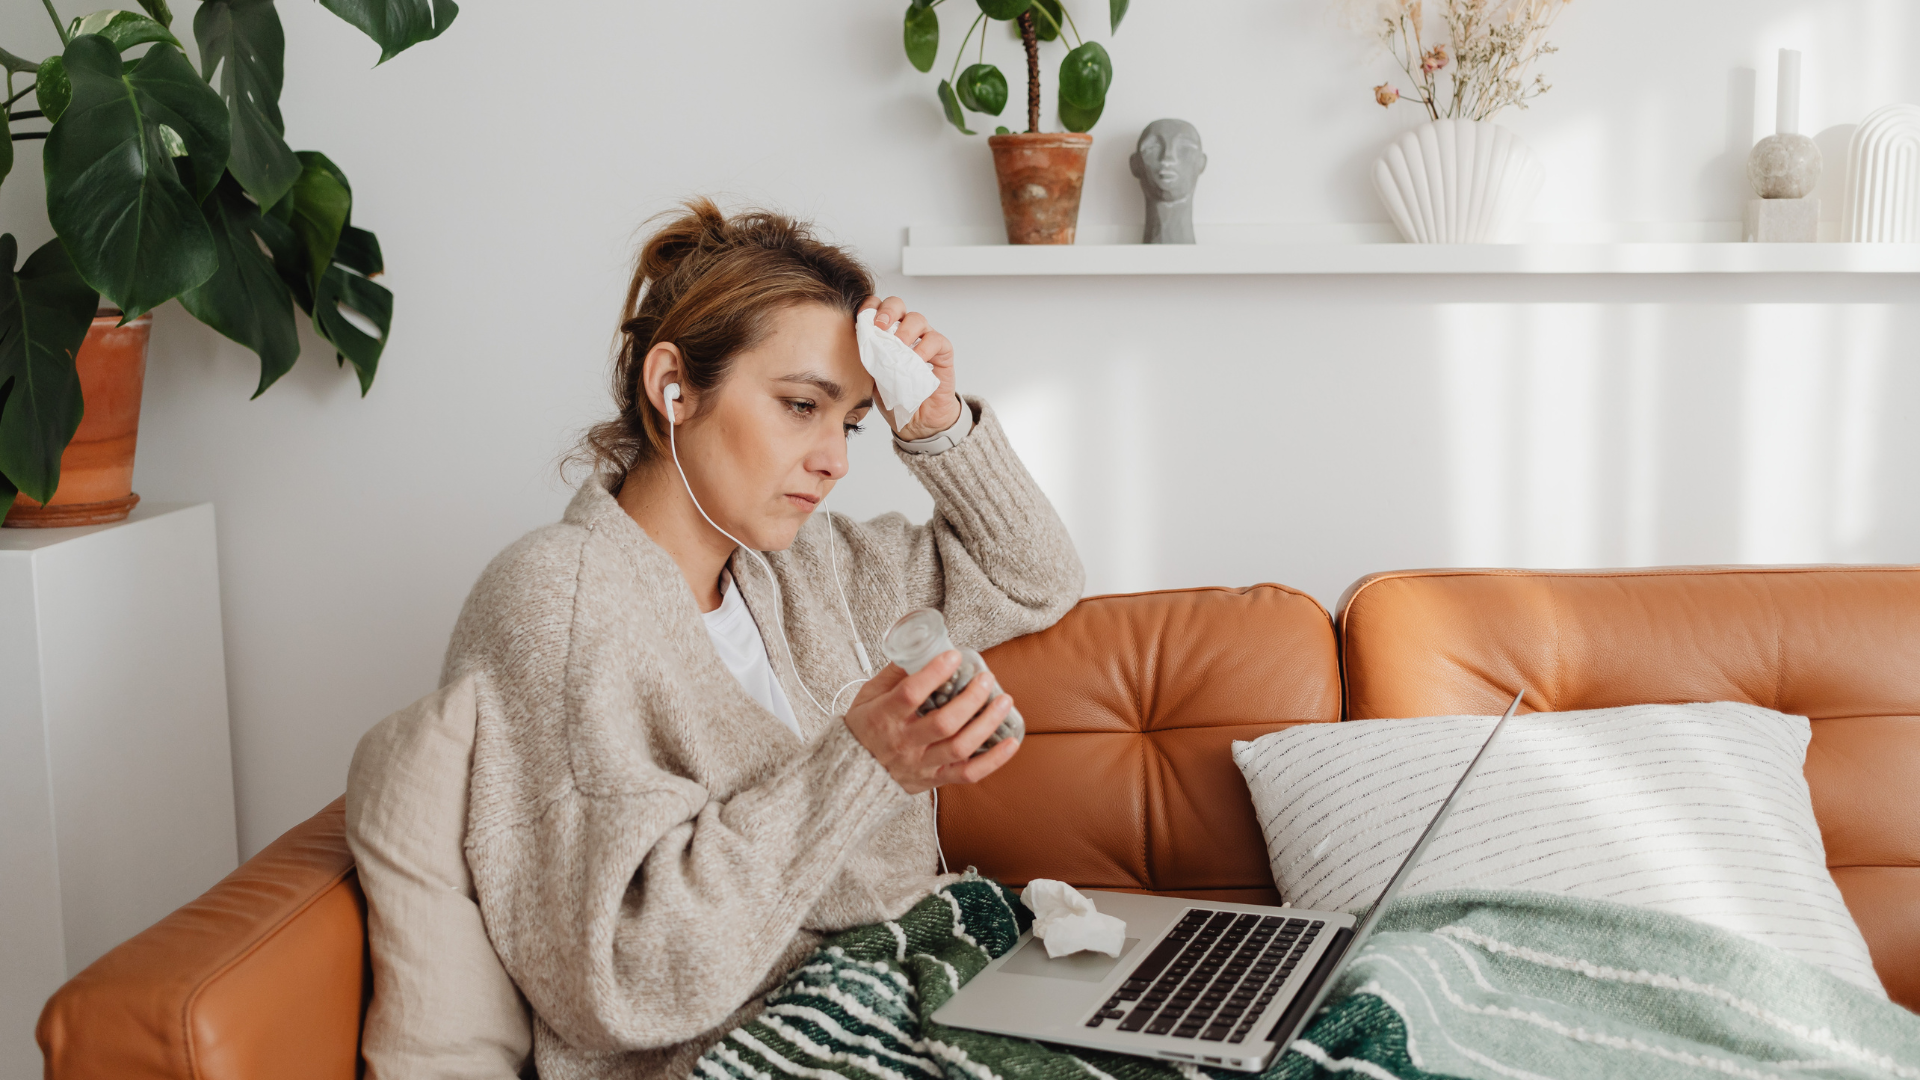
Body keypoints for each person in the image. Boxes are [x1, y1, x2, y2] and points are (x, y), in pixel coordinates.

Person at [441, 199, 1084, 1078]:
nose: (837, 459)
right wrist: (863, 763)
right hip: (755, 1048)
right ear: (673, 387)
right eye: (799, 406)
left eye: (850, 420)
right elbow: (624, 975)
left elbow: (1032, 576)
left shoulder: (806, 566)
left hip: (912, 982)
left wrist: (932, 421)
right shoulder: (557, 603)